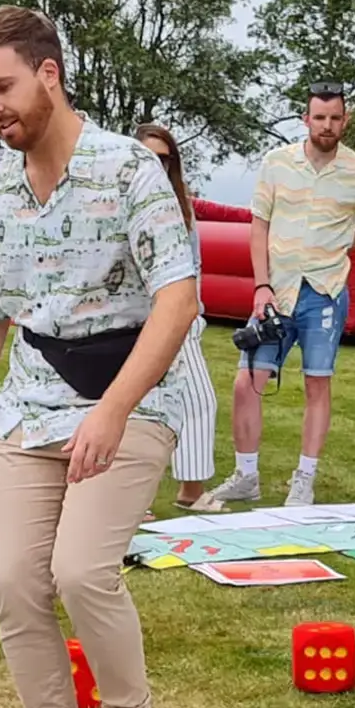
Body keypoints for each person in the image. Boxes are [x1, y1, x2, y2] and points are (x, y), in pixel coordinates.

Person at [0, 7, 199, 708]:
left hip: (130, 398)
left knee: (80, 571)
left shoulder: (127, 169)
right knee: (16, 580)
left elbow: (179, 297)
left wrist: (115, 410)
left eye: (5, 86)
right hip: (29, 407)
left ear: (49, 74)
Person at [203, 82, 355, 509]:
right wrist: (261, 285)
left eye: (335, 118)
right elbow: (259, 226)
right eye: (319, 117)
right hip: (275, 292)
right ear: (305, 119)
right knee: (247, 382)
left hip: (324, 292)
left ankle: (304, 479)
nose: (327, 125)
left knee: (316, 384)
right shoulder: (276, 163)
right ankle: (246, 475)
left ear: (345, 120)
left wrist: (346, 244)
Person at [133, 122, 219, 509]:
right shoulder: (119, 199)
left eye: (165, 160)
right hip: (131, 322)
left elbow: (194, 266)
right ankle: (133, 499)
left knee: (199, 399)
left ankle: (191, 490)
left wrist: (194, 316)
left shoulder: (182, 206)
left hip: (179, 319)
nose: (158, 166)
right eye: (150, 157)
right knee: (134, 408)